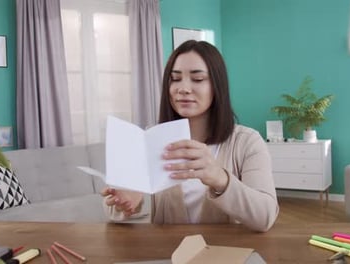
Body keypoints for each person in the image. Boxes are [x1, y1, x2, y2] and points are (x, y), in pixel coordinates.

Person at [102, 40, 279, 232]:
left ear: (217, 86)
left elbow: (265, 217)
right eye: (175, 79)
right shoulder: (149, 140)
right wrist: (127, 203)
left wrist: (220, 178)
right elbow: (115, 214)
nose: (183, 88)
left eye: (198, 79)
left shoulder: (247, 142)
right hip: (168, 255)